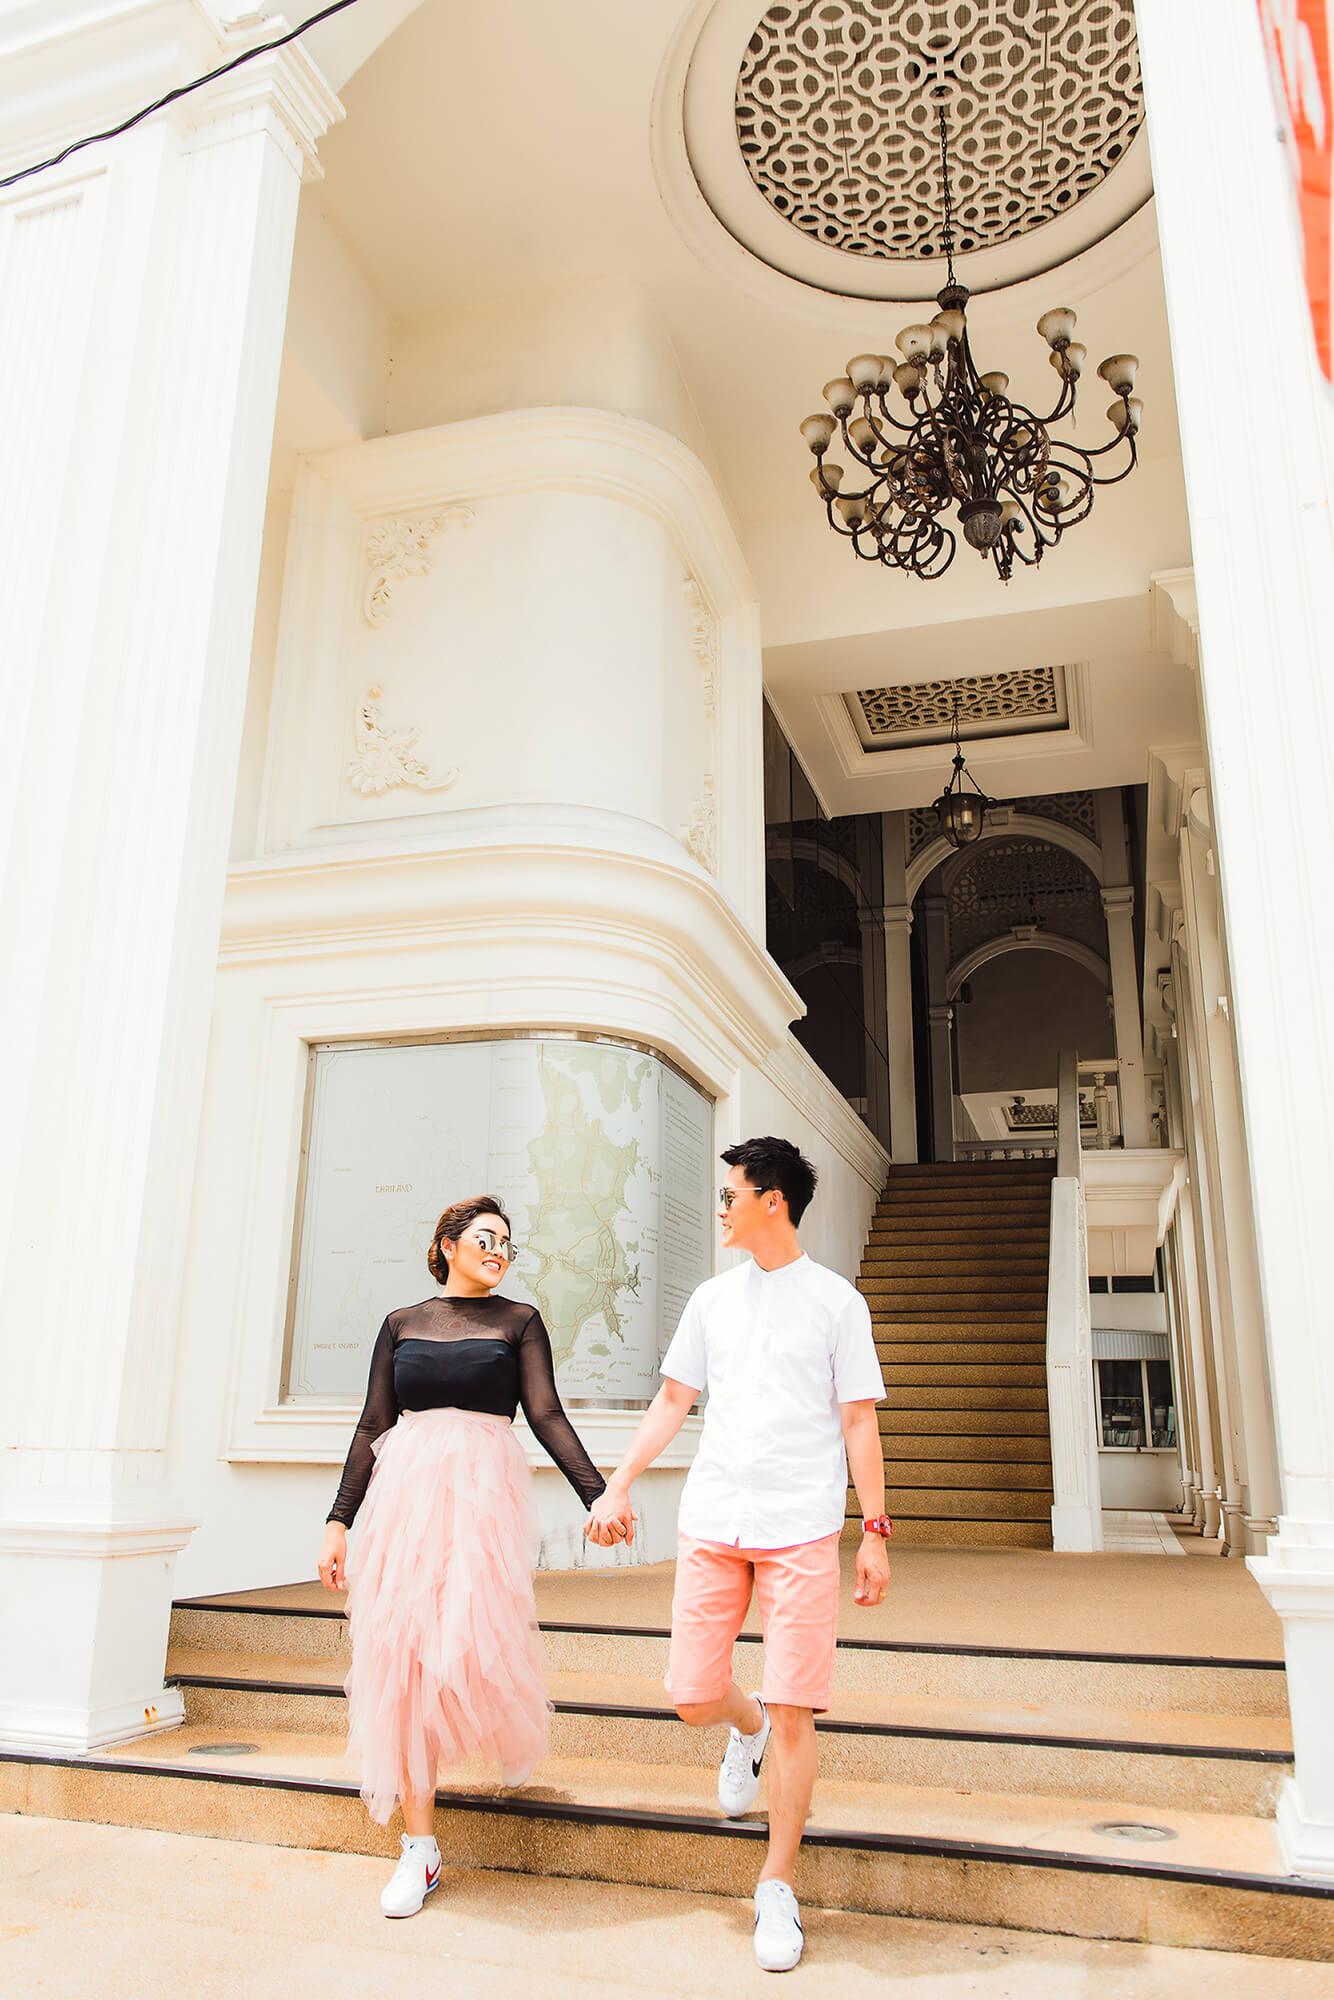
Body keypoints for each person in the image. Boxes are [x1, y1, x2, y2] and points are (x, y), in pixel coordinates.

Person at [586, 1137, 890, 1974]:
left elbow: (859, 1420)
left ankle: (778, 1884)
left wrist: (875, 1532)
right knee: (690, 1696)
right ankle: (742, 1727)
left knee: (799, 1705)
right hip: (713, 1519)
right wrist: (618, 1484)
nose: (720, 1207)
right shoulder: (711, 1300)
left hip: (800, 1526)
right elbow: (673, 1400)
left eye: (731, 1195)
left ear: (774, 1201)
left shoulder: (837, 1303)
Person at [316, 1195, 611, 1919]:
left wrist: (597, 1495)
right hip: (405, 1504)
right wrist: (336, 1522)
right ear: (448, 1245)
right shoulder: (401, 1324)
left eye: (508, 1242)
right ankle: (419, 1849)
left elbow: (545, 1415)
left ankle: (431, 1827)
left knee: (467, 1644)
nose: (500, 1249)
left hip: (482, 1502)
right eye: (486, 1237)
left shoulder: (519, 1322)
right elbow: (372, 1425)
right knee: (403, 1658)